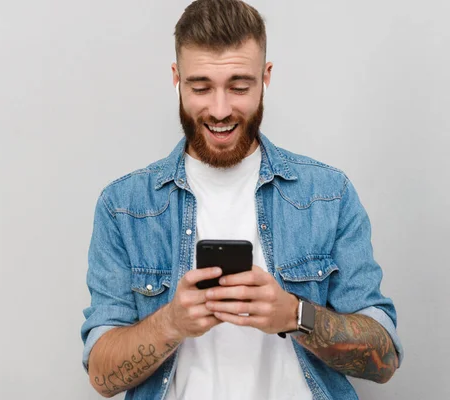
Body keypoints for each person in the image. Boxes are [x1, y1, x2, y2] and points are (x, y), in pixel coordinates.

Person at [81, 1, 403, 399]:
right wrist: (171, 323)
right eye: (200, 87)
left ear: (265, 77)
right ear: (176, 78)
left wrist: (294, 315)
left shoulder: (328, 194)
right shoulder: (123, 206)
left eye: (239, 86)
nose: (220, 110)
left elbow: (384, 359)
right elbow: (101, 377)